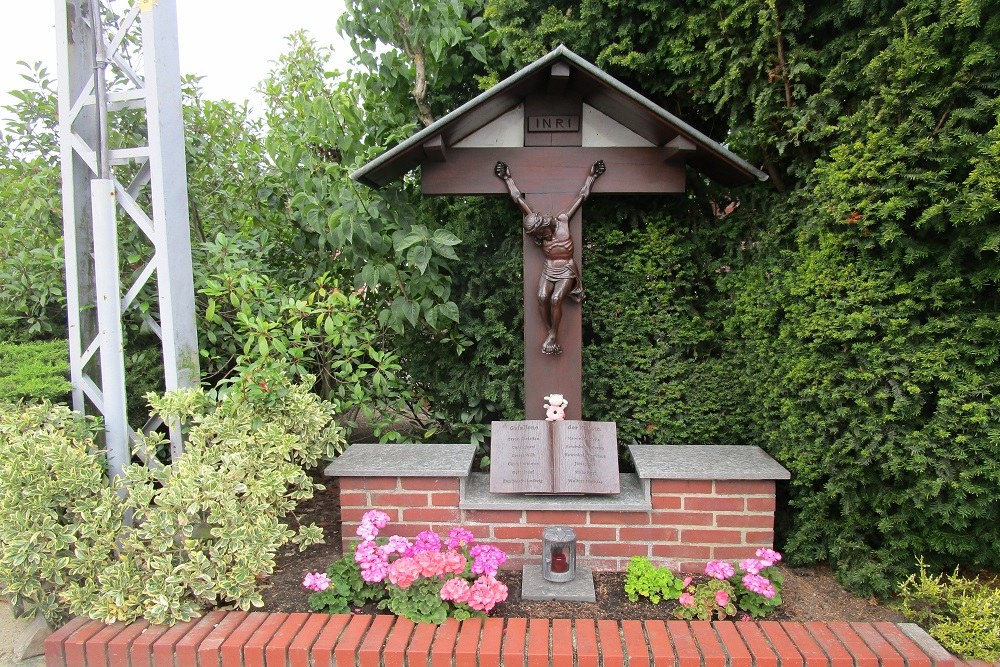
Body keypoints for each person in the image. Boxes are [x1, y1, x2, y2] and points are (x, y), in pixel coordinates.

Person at [494, 159, 605, 355]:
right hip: (549, 267)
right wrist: (507, 178)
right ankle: (551, 332)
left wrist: (592, 176)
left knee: (555, 299)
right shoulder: (537, 226)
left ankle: (553, 335)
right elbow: (518, 199)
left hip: (566, 269)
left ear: (543, 227)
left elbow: (581, 197)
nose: (539, 238)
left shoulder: (562, 221)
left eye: (540, 234)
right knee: (542, 296)